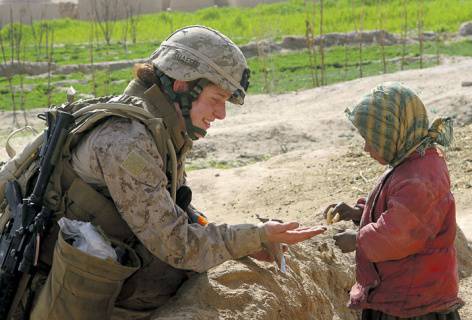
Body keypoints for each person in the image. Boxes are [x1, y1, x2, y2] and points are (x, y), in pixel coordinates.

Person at [5, 26, 325, 319]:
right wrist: (253, 236)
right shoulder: (126, 141)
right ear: (181, 85)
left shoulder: (156, 128)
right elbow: (177, 244)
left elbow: (175, 210)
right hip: (66, 292)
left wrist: (240, 239)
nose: (222, 114)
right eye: (216, 99)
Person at [324, 82, 463, 320]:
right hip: (402, 295)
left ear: (393, 134)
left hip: (415, 305)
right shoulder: (411, 163)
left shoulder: (420, 178)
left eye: (371, 139)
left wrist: (358, 241)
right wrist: (361, 212)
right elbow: (400, 211)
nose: (366, 148)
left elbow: (399, 235)